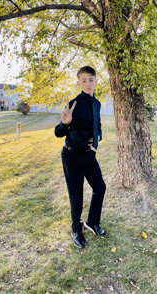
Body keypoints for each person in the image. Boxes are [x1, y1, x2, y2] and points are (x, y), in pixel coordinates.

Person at [54, 66, 108, 249]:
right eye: (83, 80)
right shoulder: (74, 104)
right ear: (78, 82)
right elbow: (58, 133)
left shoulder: (97, 103)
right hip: (72, 156)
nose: (88, 84)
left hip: (88, 154)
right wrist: (64, 123)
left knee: (100, 187)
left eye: (91, 79)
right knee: (76, 195)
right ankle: (76, 229)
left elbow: (98, 125)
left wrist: (98, 135)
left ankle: (92, 222)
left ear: (96, 81)